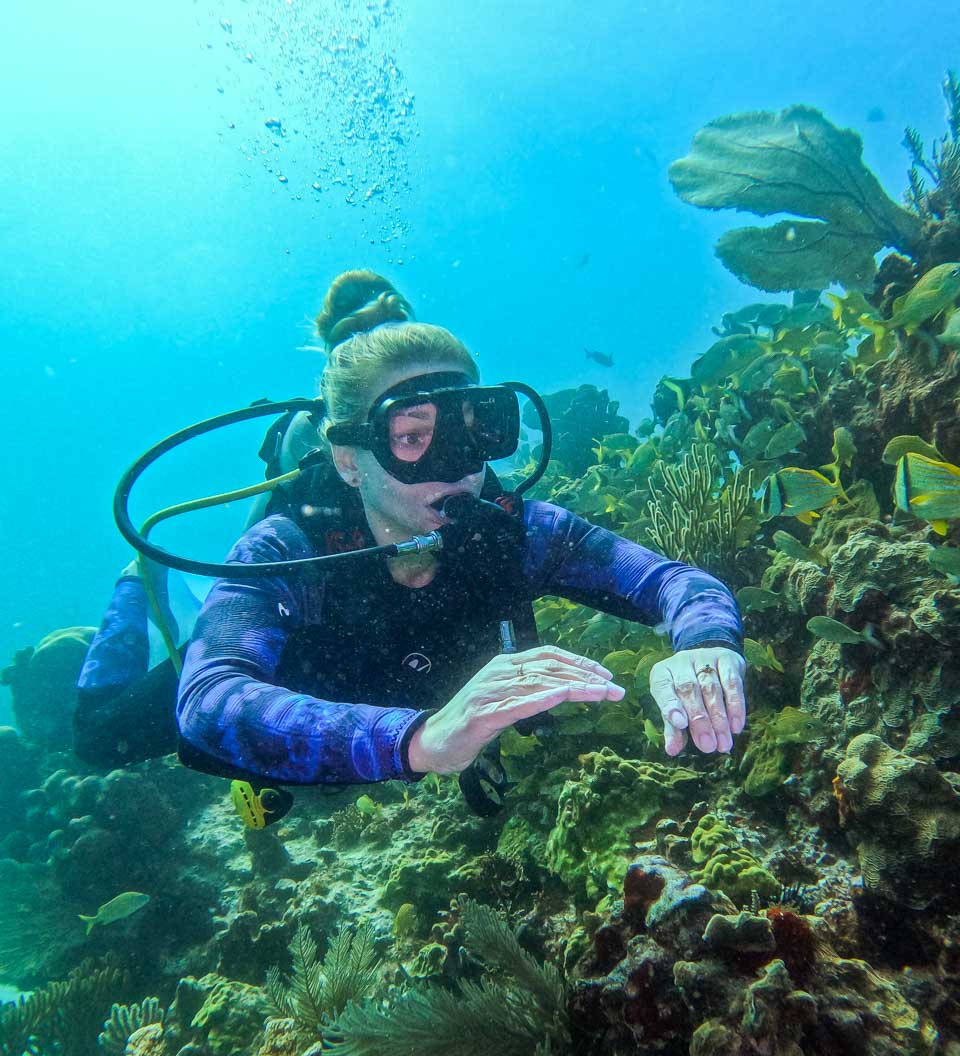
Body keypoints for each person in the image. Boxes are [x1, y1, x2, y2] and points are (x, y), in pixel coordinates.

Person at [172, 270, 747, 800]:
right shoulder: (287, 550)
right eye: (411, 437)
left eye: (474, 429)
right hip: (311, 692)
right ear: (349, 460)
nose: (457, 468)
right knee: (103, 733)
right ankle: (134, 585)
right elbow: (209, 704)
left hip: (408, 716)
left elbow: (675, 582)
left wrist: (705, 645)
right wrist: (424, 741)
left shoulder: (513, 530)